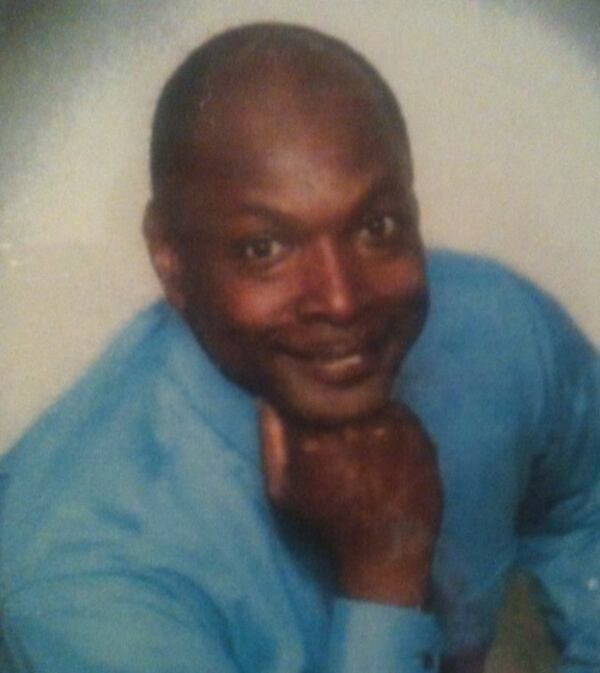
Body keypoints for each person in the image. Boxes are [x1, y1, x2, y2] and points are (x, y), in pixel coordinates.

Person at [0, 22, 598, 673]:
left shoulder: (496, 326)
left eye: (376, 226)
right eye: (264, 249)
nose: (340, 301)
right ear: (170, 261)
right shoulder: (81, 574)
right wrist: (385, 577)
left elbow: (587, 509)